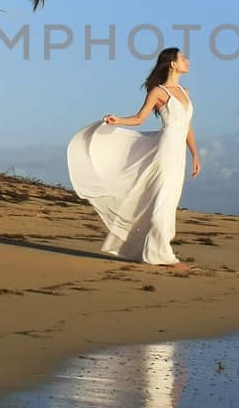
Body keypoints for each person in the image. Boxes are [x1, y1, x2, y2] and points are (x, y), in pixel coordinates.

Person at [67, 47, 201, 268]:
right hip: (166, 150)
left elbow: (187, 127)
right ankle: (163, 255)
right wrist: (117, 120)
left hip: (179, 154)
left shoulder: (185, 91)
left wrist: (195, 154)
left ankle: (153, 249)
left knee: (170, 200)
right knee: (163, 199)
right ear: (173, 65)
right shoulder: (158, 92)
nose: (187, 61)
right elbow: (140, 119)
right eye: (182, 58)